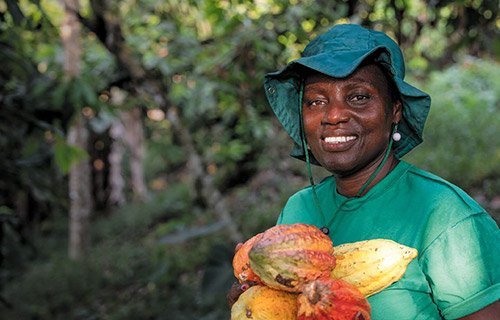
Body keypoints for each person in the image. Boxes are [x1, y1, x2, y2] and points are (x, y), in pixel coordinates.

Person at [229, 24, 499, 319]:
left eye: (358, 97)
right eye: (316, 101)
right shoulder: (298, 208)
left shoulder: (445, 216)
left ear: (394, 109)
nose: (333, 115)